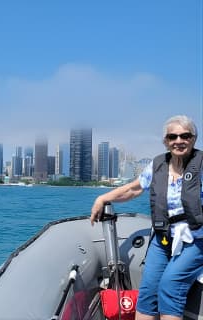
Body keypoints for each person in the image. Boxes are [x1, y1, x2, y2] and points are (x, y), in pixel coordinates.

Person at [90, 115, 203, 320]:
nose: (179, 141)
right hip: (163, 236)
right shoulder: (158, 165)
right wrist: (102, 198)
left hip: (195, 238)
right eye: (172, 136)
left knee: (171, 284)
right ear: (165, 141)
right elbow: (133, 189)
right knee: (148, 289)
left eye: (185, 135)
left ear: (194, 139)